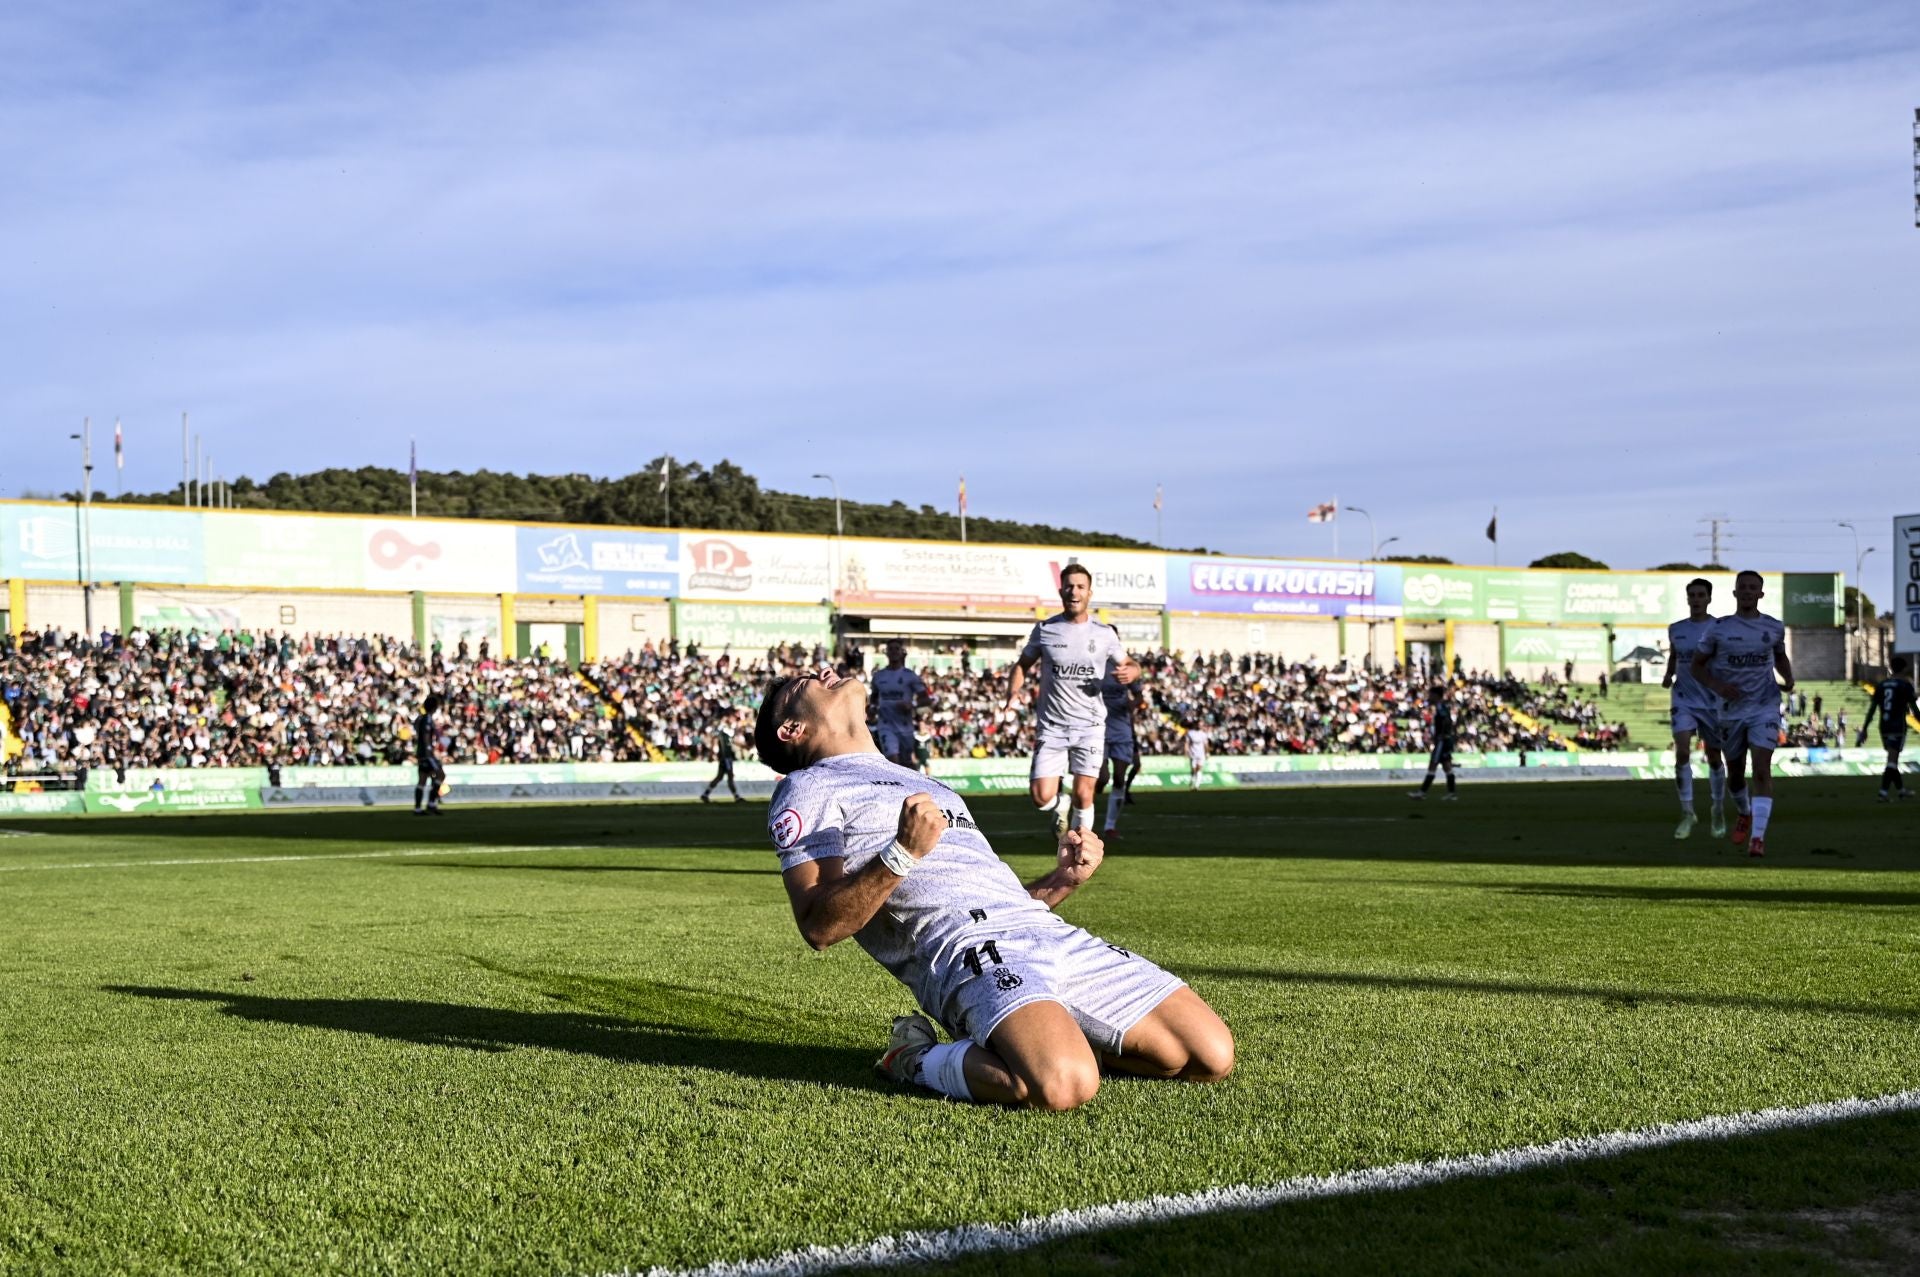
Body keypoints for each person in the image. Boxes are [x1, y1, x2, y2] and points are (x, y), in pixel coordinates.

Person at [753, 666, 1232, 1110]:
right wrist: (903, 851)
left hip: (1042, 929)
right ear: (792, 730)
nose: (824, 673)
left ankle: (1052, 1034)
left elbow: (987, 896)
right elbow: (818, 925)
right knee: (1062, 1084)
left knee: (1207, 1055)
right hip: (967, 950)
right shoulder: (808, 787)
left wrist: (1061, 881)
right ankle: (913, 1059)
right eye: (803, 685)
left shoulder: (926, 782)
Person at [1006, 564, 1141, 837]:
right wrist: (1012, 694)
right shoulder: (1045, 629)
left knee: (1085, 793)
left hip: (1090, 726)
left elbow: (1129, 663)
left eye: (1080, 586)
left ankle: (1080, 855)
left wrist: (1133, 670)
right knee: (1041, 796)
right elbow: (1021, 665)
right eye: (1069, 586)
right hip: (1052, 727)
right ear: (1061, 591)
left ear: (1089, 593)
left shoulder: (1104, 634)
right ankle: (1061, 802)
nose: (1074, 591)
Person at [1690, 570, 1794, 857]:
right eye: (1742, 587)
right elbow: (1696, 666)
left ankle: (1757, 838)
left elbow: (1780, 656)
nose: (1748, 592)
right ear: (1735, 593)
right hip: (1730, 711)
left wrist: (1789, 678)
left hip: (1765, 706)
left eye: (1753, 588)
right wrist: (1718, 685)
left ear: (1761, 594)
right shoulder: (1719, 629)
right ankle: (1745, 811)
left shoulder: (1773, 628)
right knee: (1735, 774)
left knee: (1761, 768)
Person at [1661, 578, 1727, 839]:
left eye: (1701, 595)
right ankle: (1688, 812)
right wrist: (1668, 675)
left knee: (1713, 757)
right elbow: (1675, 656)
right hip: (1683, 699)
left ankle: (1718, 808)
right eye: (1692, 595)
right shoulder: (1676, 629)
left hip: (1711, 702)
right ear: (1687, 598)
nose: (1696, 599)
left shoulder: (1718, 628)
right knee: (1682, 753)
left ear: (1709, 599)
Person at [1857, 655, 1916, 802]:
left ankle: (1901, 791)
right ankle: (1883, 793)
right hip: (1898, 726)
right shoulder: (1905, 685)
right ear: (1903, 670)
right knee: (1892, 761)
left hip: (1884, 726)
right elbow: (1914, 709)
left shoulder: (1882, 685)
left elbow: (1872, 708)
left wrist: (1864, 728)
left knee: (1892, 759)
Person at [1095, 663, 1144, 836]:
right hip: (1098, 729)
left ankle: (1110, 826)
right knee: (1102, 778)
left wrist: (1133, 703)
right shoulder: (1094, 664)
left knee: (1118, 778)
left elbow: (1139, 696)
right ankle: (1084, 805)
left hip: (1122, 730)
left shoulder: (1125, 668)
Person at [869, 640, 931, 768]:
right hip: (885, 725)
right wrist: (872, 709)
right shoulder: (879, 676)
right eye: (890, 649)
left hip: (905, 726)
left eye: (896, 648)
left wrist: (912, 704)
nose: (893, 651)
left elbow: (925, 699)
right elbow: (874, 697)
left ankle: (916, 784)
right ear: (886, 653)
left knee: (907, 764)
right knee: (893, 762)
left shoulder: (910, 676)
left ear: (901, 652)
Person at [1408, 682, 1457, 801]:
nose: (1429, 697)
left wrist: (1442, 735)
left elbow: (1446, 720)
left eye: (1431, 695)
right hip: (1444, 739)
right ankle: (1452, 793)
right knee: (1447, 766)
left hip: (1442, 740)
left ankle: (1422, 792)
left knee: (1433, 764)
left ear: (1436, 696)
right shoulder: (1442, 706)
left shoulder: (1440, 707)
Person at [412, 693, 446, 815]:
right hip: (426, 753)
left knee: (422, 779)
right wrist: (429, 750)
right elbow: (426, 735)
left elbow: (416, 730)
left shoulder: (420, 718)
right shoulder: (427, 719)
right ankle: (431, 804)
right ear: (434, 707)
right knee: (440, 775)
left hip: (420, 752)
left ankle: (417, 808)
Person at [700, 715, 743, 803]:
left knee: (719, 777)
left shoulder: (726, 734)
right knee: (730, 776)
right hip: (726, 758)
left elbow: (733, 742)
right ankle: (737, 797)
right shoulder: (722, 733)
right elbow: (716, 742)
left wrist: (745, 746)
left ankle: (705, 794)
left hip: (726, 758)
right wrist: (712, 754)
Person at [1183, 721, 1209, 790]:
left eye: (1201, 725)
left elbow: (1206, 744)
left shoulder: (1203, 734)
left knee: (1199, 769)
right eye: (1198, 725)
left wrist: (1207, 753)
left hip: (1201, 754)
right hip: (1193, 754)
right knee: (1193, 770)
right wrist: (1186, 752)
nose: (1199, 726)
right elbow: (1187, 743)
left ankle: (1197, 786)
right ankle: (1192, 782)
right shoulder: (1190, 733)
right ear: (1196, 725)